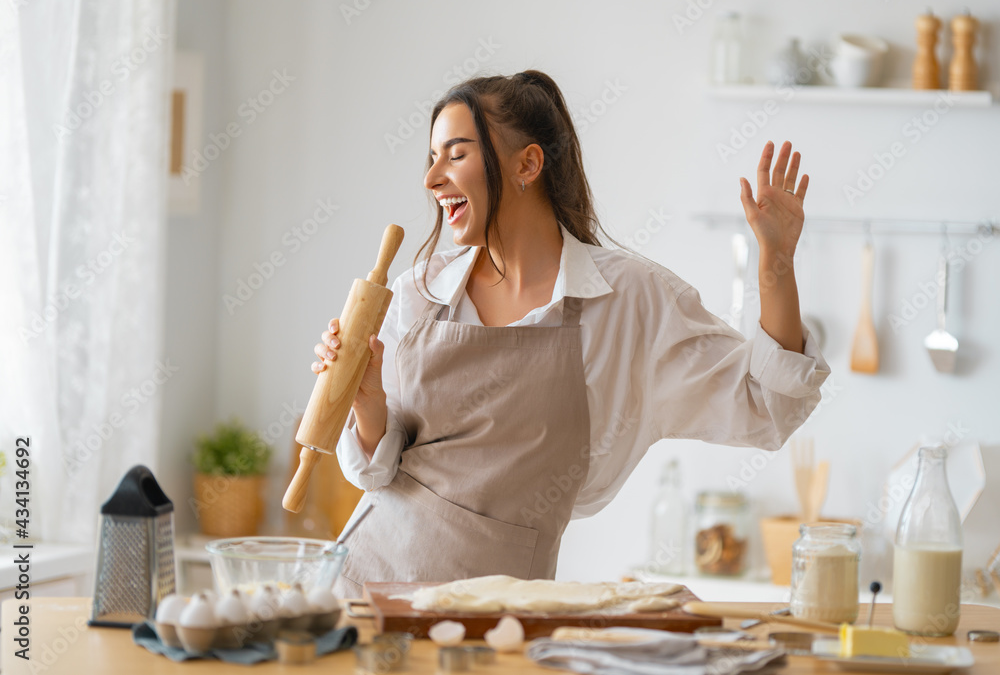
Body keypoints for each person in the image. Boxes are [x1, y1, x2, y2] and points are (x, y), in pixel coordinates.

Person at [312, 70, 830, 598]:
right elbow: (377, 474)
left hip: (503, 618)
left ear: (528, 164)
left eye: (456, 154)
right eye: (432, 158)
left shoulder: (627, 301)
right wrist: (367, 401)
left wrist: (778, 261)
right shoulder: (418, 292)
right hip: (362, 592)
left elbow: (767, 405)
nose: (432, 178)